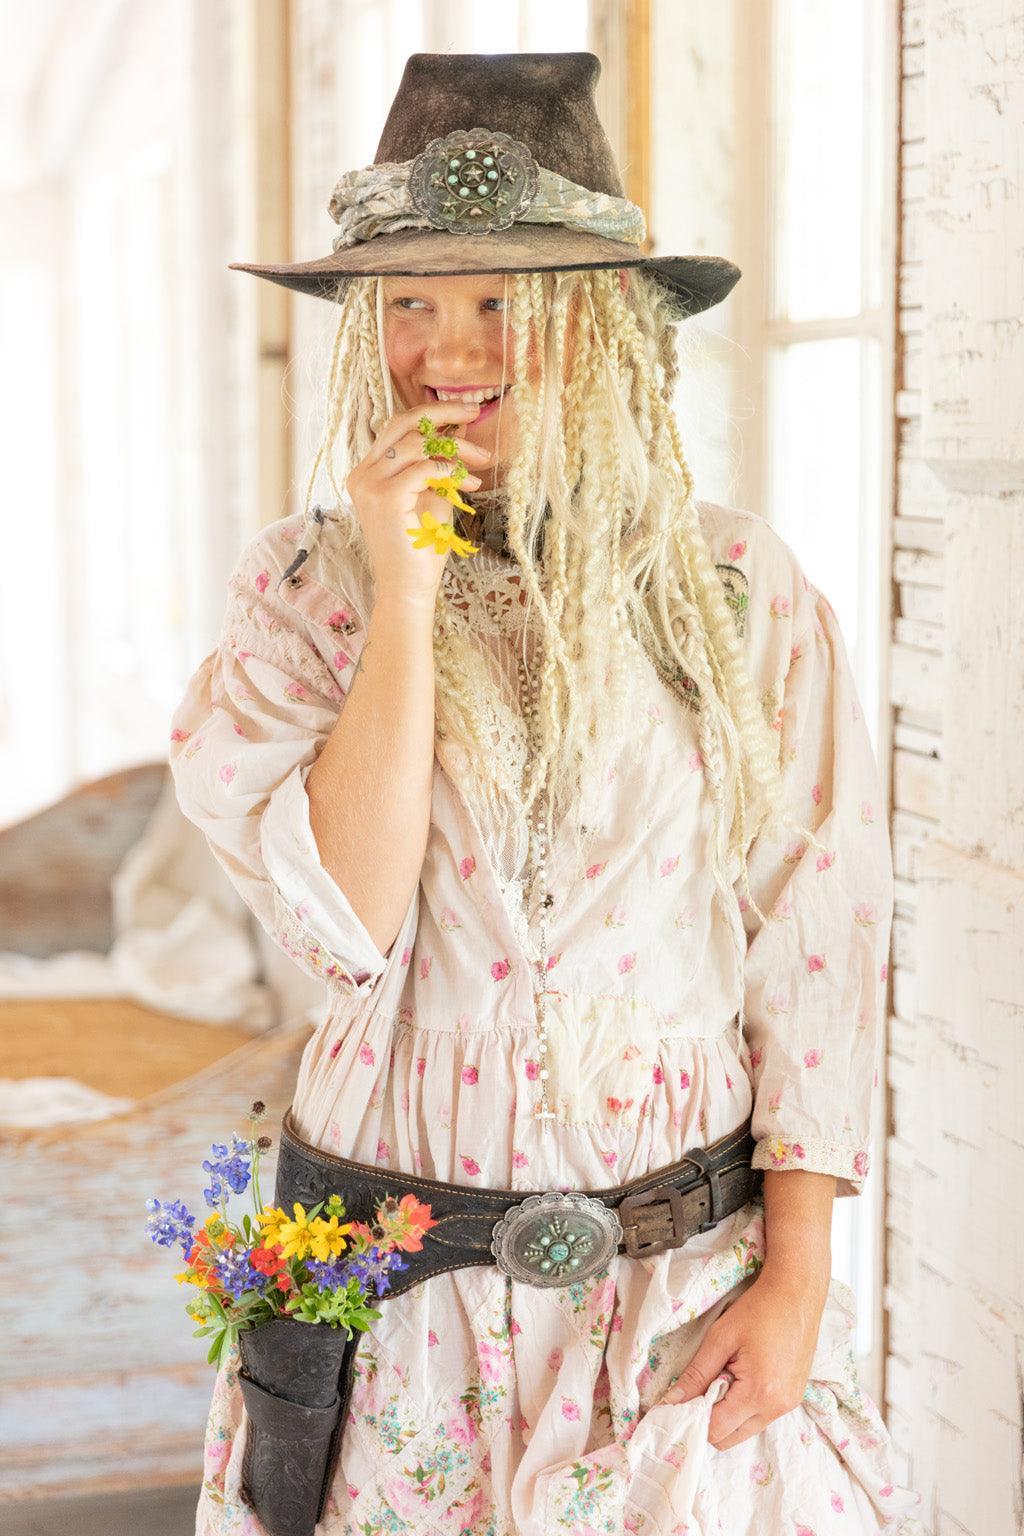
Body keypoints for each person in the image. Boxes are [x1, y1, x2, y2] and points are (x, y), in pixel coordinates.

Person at [169, 50, 924, 1536]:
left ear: (600, 322)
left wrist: (799, 1276)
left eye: (504, 298)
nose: (450, 349)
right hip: (393, 1295)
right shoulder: (303, 594)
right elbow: (347, 922)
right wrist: (405, 596)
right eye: (410, 303)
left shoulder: (727, 588)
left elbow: (815, 942)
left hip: (675, 1283)